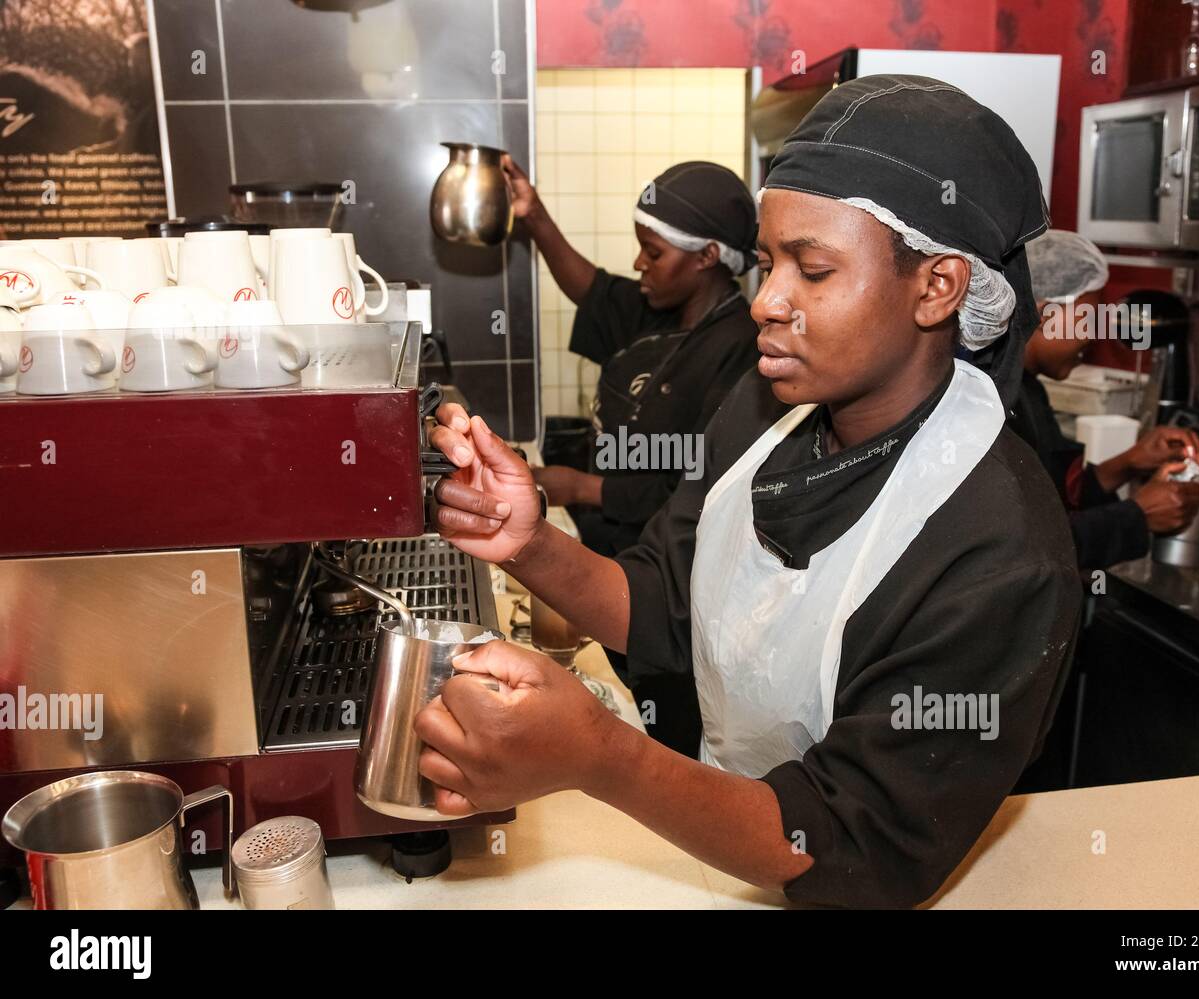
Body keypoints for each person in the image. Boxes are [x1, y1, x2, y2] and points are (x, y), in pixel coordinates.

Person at [423, 76, 1081, 908]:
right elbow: (665, 603)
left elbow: (853, 843)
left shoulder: (1002, 551)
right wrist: (531, 540)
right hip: (715, 847)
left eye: (814, 269)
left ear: (938, 286)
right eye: (769, 263)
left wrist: (601, 756)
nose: (767, 301)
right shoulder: (769, 413)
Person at [503, 156, 761, 557]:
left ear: (707, 256)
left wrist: (579, 487)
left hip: (663, 556)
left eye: (653, 254)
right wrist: (533, 215)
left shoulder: (741, 349)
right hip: (609, 538)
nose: (640, 263)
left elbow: (698, 476)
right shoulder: (655, 308)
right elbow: (591, 292)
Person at [1010, 229, 1199, 570]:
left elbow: (1054, 497)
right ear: (1048, 315)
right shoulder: (996, 402)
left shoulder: (1029, 388)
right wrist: (1137, 517)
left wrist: (1128, 463)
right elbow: (1022, 553)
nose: (1095, 334)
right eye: (1089, 317)